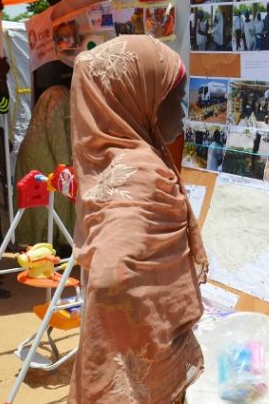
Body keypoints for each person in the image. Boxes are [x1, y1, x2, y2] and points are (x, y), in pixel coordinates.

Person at [69, 36, 207, 403]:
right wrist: (146, 326)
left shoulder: (105, 164)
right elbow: (110, 277)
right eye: (174, 100)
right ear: (137, 101)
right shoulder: (141, 173)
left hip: (137, 361)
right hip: (149, 364)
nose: (183, 113)